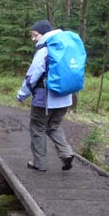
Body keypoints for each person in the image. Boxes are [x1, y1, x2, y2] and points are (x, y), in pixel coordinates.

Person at [16, 20, 74, 172]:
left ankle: (39, 163)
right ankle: (66, 153)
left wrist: (21, 95)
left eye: (35, 35)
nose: (33, 39)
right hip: (66, 97)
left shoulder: (44, 51)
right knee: (54, 126)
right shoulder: (65, 48)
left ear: (43, 34)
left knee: (38, 128)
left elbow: (32, 76)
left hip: (46, 100)